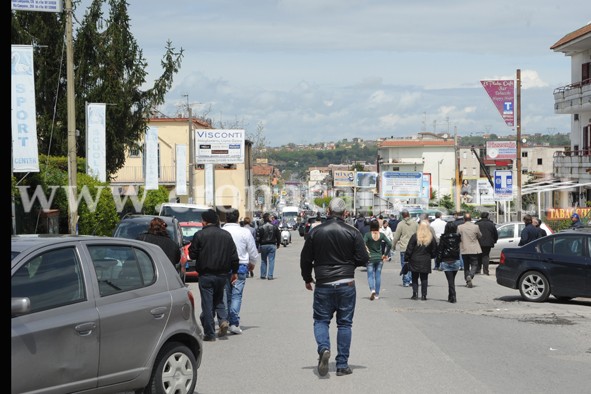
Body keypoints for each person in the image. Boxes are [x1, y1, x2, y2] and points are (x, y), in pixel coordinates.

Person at [300, 197, 369, 377]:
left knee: (321, 320)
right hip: (346, 282)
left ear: (328, 212)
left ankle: (324, 349)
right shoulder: (353, 232)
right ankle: (342, 365)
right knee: (345, 324)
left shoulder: (316, 232)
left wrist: (307, 278)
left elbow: (306, 258)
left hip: (323, 282)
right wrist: (349, 265)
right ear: (345, 213)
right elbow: (363, 258)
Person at [189, 209, 239, 342]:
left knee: (207, 303)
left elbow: (192, 254)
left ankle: (210, 333)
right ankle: (223, 320)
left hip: (206, 274)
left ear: (205, 221)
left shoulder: (200, 235)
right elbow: (234, 256)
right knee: (219, 299)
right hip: (223, 274)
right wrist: (234, 272)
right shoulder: (226, 235)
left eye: (202, 220)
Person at [222, 208, 259, 335]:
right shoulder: (245, 232)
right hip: (241, 265)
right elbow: (253, 250)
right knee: (236, 295)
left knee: (225, 294)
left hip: (223, 266)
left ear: (226, 218)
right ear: (238, 218)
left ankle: (224, 319)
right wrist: (252, 263)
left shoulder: (222, 231)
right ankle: (234, 323)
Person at [405, 220, 438, 300]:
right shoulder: (431, 237)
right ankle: (424, 295)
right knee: (424, 278)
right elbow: (434, 250)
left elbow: (409, 248)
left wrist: (407, 257)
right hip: (425, 259)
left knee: (414, 277)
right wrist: (431, 256)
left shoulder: (415, 236)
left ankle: (415, 293)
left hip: (414, 259)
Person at [364, 219, 392, 300]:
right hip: (379, 258)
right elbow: (390, 244)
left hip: (370, 258)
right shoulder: (382, 235)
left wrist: (366, 252)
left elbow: (363, 243)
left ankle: (372, 289)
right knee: (378, 275)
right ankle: (377, 294)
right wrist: (385, 255)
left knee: (370, 275)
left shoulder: (367, 235)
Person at [435, 221, 462, 303]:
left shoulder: (443, 237)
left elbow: (440, 250)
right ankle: (451, 296)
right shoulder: (458, 237)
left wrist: (438, 262)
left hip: (446, 260)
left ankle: (453, 296)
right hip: (455, 260)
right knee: (452, 279)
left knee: (450, 281)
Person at [392, 209, 419, 287]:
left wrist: (393, 246)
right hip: (414, 248)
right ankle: (411, 279)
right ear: (409, 214)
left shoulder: (400, 224)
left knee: (404, 264)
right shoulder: (415, 224)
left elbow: (396, 236)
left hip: (404, 247)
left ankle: (406, 281)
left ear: (403, 215)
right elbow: (419, 234)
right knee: (413, 264)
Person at [456, 212, 482, 288]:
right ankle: (470, 276)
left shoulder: (460, 227)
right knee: (474, 264)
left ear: (464, 219)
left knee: (466, 265)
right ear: (471, 219)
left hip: (464, 248)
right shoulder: (476, 226)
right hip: (474, 248)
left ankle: (467, 279)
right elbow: (480, 235)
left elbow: (457, 236)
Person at [257, 212, 281, 280]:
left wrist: (257, 246)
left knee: (263, 260)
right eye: (270, 217)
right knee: (271, 260)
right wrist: (278, 244)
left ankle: (263, 275)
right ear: (268, 218)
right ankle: (270, 275)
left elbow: (258, 238)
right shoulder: (274, 227)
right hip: (272, 245)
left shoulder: (261, 227)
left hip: (263, 245)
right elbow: (278, 236)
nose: (272, 218)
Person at [475, 212, 498, 276]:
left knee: (478, 256)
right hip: (488, 243)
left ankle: (478, 270)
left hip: (478, 242)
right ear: (487, 216)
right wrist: (494, 240)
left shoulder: (477, 224)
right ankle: (486, 271)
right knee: (486, 256)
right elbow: (495, 234)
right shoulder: (491, 224)